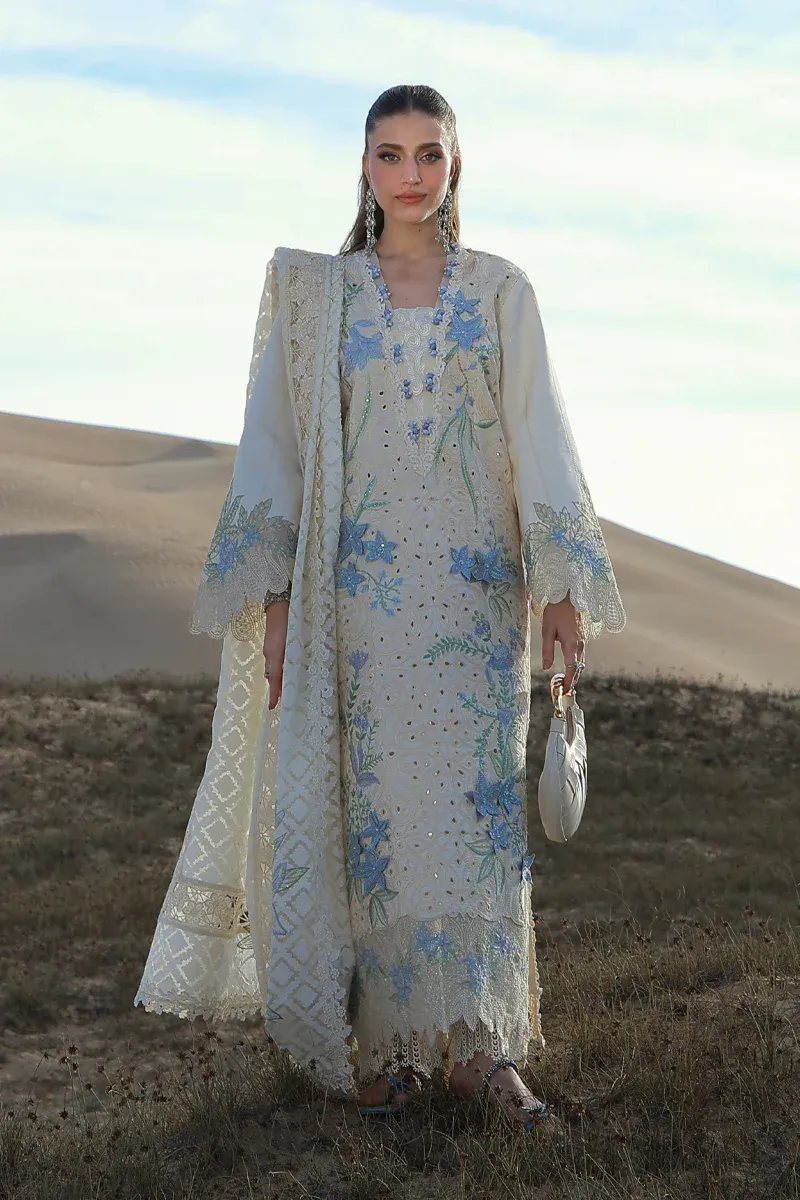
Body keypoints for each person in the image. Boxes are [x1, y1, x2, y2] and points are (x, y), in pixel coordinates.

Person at [134, 84, 626, 1132]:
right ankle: (390, 1051)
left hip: (477, 599)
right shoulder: (323, 299)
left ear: (456, 165)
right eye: (390, 154)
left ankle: (482, 1052)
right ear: (363, 166)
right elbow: (273, 446)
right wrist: (274, 601)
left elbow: (540, 436)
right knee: (378, 825)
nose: (410, 174)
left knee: (478, 824)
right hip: (356, 605)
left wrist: (561, 591)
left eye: (429, 154)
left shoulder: (500, 291)